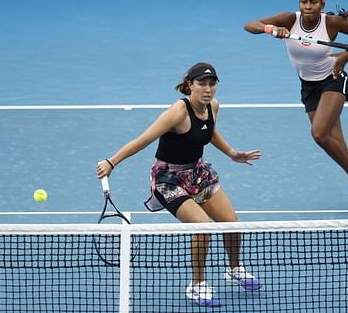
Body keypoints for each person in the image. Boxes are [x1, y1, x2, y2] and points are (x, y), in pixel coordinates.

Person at [96, 62, 262, 307]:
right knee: (203, 227)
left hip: (197, 172)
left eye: (211, 84)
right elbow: (143, 139)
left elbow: (208, 130)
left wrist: (231, 153)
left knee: (232, 223)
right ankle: (197, 285)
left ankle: (234, 269)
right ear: (190, 86)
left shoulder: (213, 106)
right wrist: (112, 161)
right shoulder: (177, 112)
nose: (207, 89)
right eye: (201, 84)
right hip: (168, 180)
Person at [244, 0, 348, 208]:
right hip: (308, 87)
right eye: (304, 2)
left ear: (322, 5)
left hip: (333, 79)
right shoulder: (289, 19)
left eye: (313, 2)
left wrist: (347, 54)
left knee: (318, 133)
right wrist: (272, 29)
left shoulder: (331, 23)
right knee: (336, 146)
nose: (308, 6)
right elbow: (249, 25)